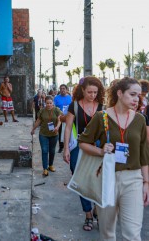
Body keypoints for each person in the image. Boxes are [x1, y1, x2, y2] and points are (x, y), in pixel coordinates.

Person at [78, 77, 149, 240]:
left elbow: (144, 152)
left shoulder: (139, 119)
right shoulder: (101, 117)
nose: (136, 99)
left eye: (138, 96)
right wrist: (101, 151)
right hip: (107, 179)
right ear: (119, 93)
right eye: (132, 94)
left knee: (132, 234)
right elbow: (83, 142)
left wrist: (146, 183)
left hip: (133, 179)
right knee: (107, 233)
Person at [63, 76, 105, 231]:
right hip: (79, 145)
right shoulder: (74, 106)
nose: (92, 95)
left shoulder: (102, 107)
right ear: (82, 90)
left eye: (95, 92)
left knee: (97, 178)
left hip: (97, 145)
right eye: (89, 92)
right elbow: (68, 127)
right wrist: (66, 148)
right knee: (80, 179)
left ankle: (97, 210)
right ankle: (88, 214)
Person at [31, 95, 62, 176]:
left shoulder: (57, 110)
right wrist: (33, 129)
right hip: (43, 134)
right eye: (47, 103)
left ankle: (50, 165)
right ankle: (45, 168)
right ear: (45, 103)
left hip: (54, 134)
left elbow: (60, 120)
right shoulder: (42, 111)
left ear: (53, 103)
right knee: (44, 151)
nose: (49, 105)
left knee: (52, 151)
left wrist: (57, 127)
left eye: (50, 103)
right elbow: (38, 121)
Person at [54, 84, 72, 153]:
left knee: (68, 132)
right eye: (61, 88)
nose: (62, 90)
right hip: (60, 118)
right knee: (60, 132)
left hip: (68, 117)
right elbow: (54, 107)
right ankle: (61, 147)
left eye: (64, 88)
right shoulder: (56, 98)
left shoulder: (70, 97)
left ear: (66, 90)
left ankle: (68, 146)